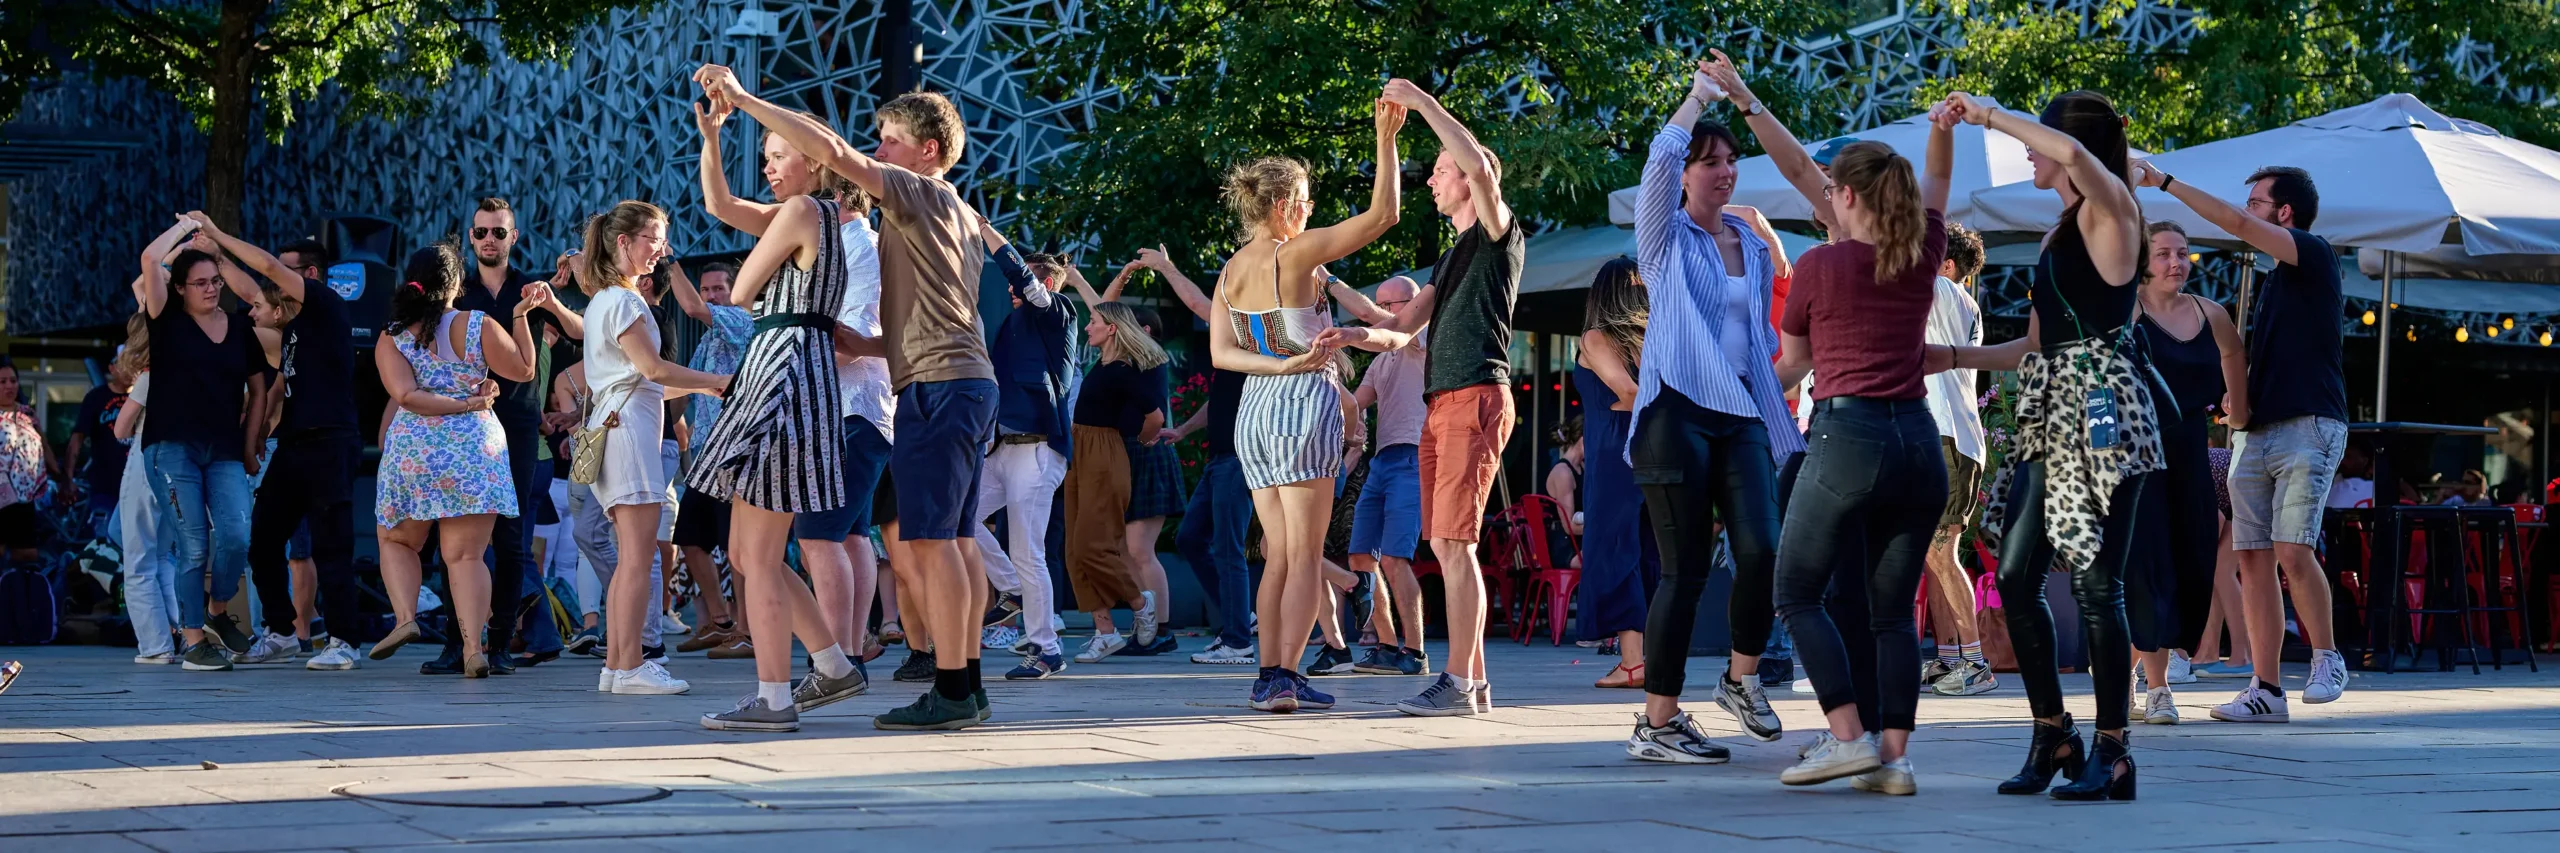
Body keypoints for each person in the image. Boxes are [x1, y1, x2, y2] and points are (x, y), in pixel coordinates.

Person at [698, 66, 1001, 731]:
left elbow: (834, 156)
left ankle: (952, 689)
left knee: (933, 543)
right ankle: (964, 685)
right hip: (952, 380)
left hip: (938, 382)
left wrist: (745, 98)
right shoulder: (944, 212)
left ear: (928, 151)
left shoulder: (918, 193)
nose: (879, 152)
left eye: (890, 139)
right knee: (951, 540)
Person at [1932, 89, 2154, 801]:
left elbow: (2081, 158)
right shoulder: (2062, 232)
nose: (2027, 151)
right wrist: (1953, 358)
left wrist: (1989, 114)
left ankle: (2114, 748)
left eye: (2037, 140)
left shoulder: (2113, 207)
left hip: (2102, 409)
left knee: (2095, 584)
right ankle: (2052, 730)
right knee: (2018, 576)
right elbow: (2033, 344)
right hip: (2049, 409)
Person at [1608, 58, 1799, 763]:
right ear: (1686, 175)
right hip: (1675, 412)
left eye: (1730, 160)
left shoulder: (1749, 241)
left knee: (1763, 548)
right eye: (1708, 161)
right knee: (1684, 571)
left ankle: (1740, 680)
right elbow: (1659, 158)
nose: (1723, 170)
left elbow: (1756, 339)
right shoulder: (1662, 238)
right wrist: (1695, 99)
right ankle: (1657, 723)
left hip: (1742, 413)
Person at [1306, 80, 1512, 717]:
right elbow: (1398, 331)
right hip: (1441, 405)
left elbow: (1477, 163)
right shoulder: (1451, 257)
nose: (1432, 180)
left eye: (1442, 171)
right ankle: (1471, 684)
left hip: (1475, 396)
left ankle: (1456, 683)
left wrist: (1421, 103)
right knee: (1448, 543)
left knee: (1455, 544)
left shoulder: (1497, 234)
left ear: (1472, 182)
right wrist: (1351, 334)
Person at [694, 97, 894, 709]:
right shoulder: (819, 219)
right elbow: (718, 206)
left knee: (758, 551)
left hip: (782, 371)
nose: (770, 169)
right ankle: (832, 664)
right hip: (791, 371)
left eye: (779, 155)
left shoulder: (804, 211)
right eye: (765, 157)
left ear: (814, 162)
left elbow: (744, 288)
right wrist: (711, 137)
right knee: (749, 551)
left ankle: (776, 695)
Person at [2137, 160, 2352, 722]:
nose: (2247, 211)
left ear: (2283, 212)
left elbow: (2232, 220)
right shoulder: (2275, 281)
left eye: (2257, 203)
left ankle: (2328, 656)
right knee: (2249, 559)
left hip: (2310, 423)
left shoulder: (2313, 252)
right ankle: (2266, 690)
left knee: (2291, 549)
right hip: (2257, 431)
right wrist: (2242, 401)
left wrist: (2165, 183)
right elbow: (2259, 355)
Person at [1209, 97, 1402, 713]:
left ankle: (1269, 674)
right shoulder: (1294, 254)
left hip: (1255, 411)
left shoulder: (1230, 269)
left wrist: (1277, 363)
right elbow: (1383, 215)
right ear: (1288, 204)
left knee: (1275, 556)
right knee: (1301, 556)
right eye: (1308, 199)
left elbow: (1221, 354)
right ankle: (1283, 677)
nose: (1312, 210)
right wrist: (1384, 138)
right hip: (1302, 405)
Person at [578, 200, 731, 696]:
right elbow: (655, 370)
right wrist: (719, 380)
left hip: (620, 430)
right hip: (628, 439)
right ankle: (629, 666)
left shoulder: (605, 299)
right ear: (624, 242)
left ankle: (619, 667)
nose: (660, 249)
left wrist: (706, 387)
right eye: (653, 238)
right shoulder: (625, 301)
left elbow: (645, 380)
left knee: (633, 556)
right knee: (638, 557)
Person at [369, 242, 540, 678]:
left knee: (398, 541)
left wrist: (451, 403)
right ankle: (473, 648)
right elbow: (523, 371)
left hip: (416, 451)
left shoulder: (392, 336)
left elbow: (406, 396)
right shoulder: (477, 323)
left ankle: (406, 618)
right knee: (466, 557)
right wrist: (519, 317)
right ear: (456, 284)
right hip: (473, 449)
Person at [432, 198, 583, 677]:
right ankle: (457, 645)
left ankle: (498, 645)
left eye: (498, 232)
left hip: (516, 426)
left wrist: (554, 301)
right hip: (462, 425)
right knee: (454, 535)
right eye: (481, 233)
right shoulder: (458, 292)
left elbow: (582, 333)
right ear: (471, 238)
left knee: (511, 537)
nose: (489, 240)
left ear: (513, 237)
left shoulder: (530, 288)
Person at [133, 217, 282, 672]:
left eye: (215, 281)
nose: (211, 289)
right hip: (170, 447)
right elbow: (150, 260)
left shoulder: (240, 330)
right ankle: (193, 638)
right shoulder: (165, 321)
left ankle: (217, 612)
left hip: (224, 448)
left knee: (238, 536)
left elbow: (259, 390)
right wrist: (189, 231)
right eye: (199, 283)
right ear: (179, 288)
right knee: (193, 545)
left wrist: (252, 443)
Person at [2128, 220, 2248, 726]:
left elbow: (2235, 356)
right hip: (2135, 459)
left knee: (2192, 569)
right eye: (2162, 254)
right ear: (2142, 260)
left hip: (2190, 458)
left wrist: (2236, 411)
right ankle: (2158, 690)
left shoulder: (2211, 313)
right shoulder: (2125, 312)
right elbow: (2096, 381)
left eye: (2182, 253)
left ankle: (2126, 668)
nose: (2175, 263)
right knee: (2148, 569)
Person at [965, 241, 1086, 679]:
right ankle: (1013, 589)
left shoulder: (1059, 313)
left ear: (1047, 283)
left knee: (1028, 552)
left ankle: (1047, 649)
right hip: (1002, 448)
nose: (1014, 290)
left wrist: (989, 233)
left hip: (1037, 450)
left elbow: (1028, 286)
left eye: (1023, 282)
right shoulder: (1013, 324)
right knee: (963, 516)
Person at [1137, 248, 1260, 667]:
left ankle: (1238, 640)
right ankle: (1239, 620)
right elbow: (1219, 399)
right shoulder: (1230, 340)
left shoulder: (1253, 327)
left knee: (1228, 547)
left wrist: (1166, 267)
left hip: (1241, 457)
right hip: (1220, 458)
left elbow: (1194, 303)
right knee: (1192, 538)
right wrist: (1185, 429)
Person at [1062, 301, 1171, 667]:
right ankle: (1105, 631)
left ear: (1111, 329)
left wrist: (1142, 440)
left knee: (1093, 546)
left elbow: (1154, 416)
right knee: (1075, 550)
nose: (1088, 327)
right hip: (1081, 452)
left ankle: (1141, 603)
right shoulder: (1104, 364)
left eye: (1093, 322)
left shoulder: (1123, 370)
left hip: (1105, 454)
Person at [1572, 259, 1656, 690]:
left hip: (1615, 454)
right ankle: (1649, 659)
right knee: (1647, 552)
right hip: (1655, 451)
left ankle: (1632, 662)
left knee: (1617, 551)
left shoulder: (1595, 336)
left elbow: (1628, 391)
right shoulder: (1653, 338)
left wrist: (1627, 404)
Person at [1342, 275, 1430, 677]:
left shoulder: (1422, 337)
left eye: (1391, 305)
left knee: (1396, 557)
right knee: (1361, 555)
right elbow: (1356, 404)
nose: (1385, 312)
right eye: (1381, 303)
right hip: (1381, 462)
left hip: (1414, 458)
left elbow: (1379, 323)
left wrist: (1328, 281)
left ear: (1412, 304)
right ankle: (1386, 645)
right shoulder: (1381, 360)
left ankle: (1415, 652)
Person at [1920, 225, 1994, 696]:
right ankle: (1950, 659)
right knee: (1932, 555)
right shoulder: (1952, 300)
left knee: (1942, 552)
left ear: (1947, 266)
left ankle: (1975, 661)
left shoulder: (1946, 292)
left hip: (1951, 437)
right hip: (1944, 434)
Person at [665, 259, 749, 655]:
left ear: (736, 291)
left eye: (718, 288)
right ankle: (721, 621)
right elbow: (681, 394)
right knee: (690, 538)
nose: (711, 296)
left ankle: (748, 633)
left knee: (740, 548)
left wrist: (669, 260)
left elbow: (694, 310)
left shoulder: (741, 322)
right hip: (704, 458)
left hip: (737, 455)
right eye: (707, 289)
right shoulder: (706, 342)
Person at [109, 315, 179, 664]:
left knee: (138, 561)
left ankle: (155, 646)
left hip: (144, 457)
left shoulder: (149, 378)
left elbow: (121, 429)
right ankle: (181, 630)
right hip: (179, 466)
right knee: (165, 557)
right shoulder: (186, 371)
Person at [1119, 303, 1187, 660]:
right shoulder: (1126, 362)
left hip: (1149, 451)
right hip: (1129, 455)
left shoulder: (1153, 355)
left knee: (1140, 550)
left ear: (1144, 331)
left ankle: (1162, 630)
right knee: (1125, 551)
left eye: (1125, 325)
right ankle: (1145, 627)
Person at [70, 358, 133, 543]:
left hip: (138, 485)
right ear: (111, 368)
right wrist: (67, 476)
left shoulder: (144, 396)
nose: (128, 369)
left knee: (135, 544)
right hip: (105, 486)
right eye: (123, 364)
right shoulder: (96, 397)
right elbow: (78, 436)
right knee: (103, 542)